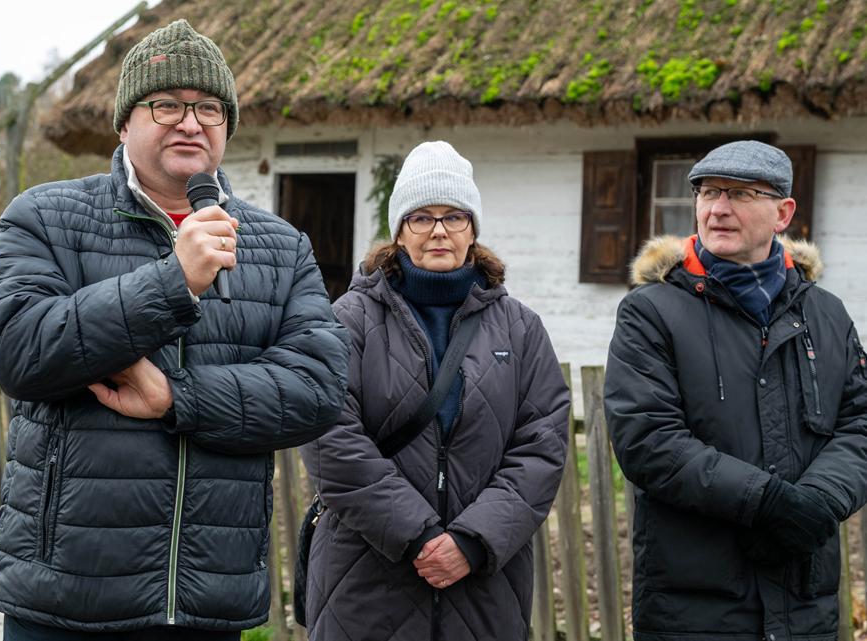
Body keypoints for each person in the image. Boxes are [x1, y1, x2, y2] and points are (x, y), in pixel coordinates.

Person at [0, 19, 348, 640]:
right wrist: (174, 281)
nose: (190, 122)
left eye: (209, 108)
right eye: (166, 104)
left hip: (207, 600)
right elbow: (19, 351)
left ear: (226, 126)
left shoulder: (281, 247)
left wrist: (176, 397)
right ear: (125, 122)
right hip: (65, 597)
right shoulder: (45, 217)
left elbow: (318, 390)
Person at [299, 141, 570, 641]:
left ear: (473, 229)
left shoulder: (521, 329)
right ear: (400, 230)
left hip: (484, 587)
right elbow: (328, 438)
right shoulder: (348, 320)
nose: (439, 230)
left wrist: (472, 541)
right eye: (421, 217)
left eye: (454, 216)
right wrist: (417, 535)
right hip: (365, 579)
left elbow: (542, 445)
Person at [604, 140, 867, 641]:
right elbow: (649, 440)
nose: (718, 209)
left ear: (783, 213)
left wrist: (817, 502)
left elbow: (860, 423)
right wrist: (767, 503)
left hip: (805, 605)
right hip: (695, 609)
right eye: (708, 192)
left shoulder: (826, 314)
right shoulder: (651, 312)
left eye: (741, 194)